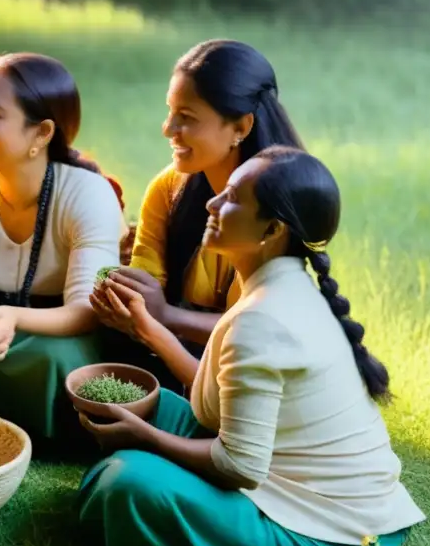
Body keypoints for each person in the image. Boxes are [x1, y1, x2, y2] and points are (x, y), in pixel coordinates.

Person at [77, 147, 425, 546]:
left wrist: (144, 437)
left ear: (272, 229)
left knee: (128, 485)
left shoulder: (262, 317)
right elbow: (223, 394)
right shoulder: (280, 285)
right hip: (282, 476)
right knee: (156, 403)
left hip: (324, 523)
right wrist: (149, 330)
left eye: (232, 198)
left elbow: (238, 466)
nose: (212, 203)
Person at [0, 52, 128, 446]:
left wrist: (10, 317)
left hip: (60, 337)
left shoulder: (88, 194)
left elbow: (86, 310)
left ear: (41, 134)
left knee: (55, 357)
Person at [92, 39, 304, 393]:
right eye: (169, 112)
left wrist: (166, 316)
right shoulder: (168, 188)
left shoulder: (278, 208)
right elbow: (148, 285)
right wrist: (127, 297)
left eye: (186, 118)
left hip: (246, 360)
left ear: (241, 127)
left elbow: (255, 327)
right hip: (166, 344)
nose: (167, 128)